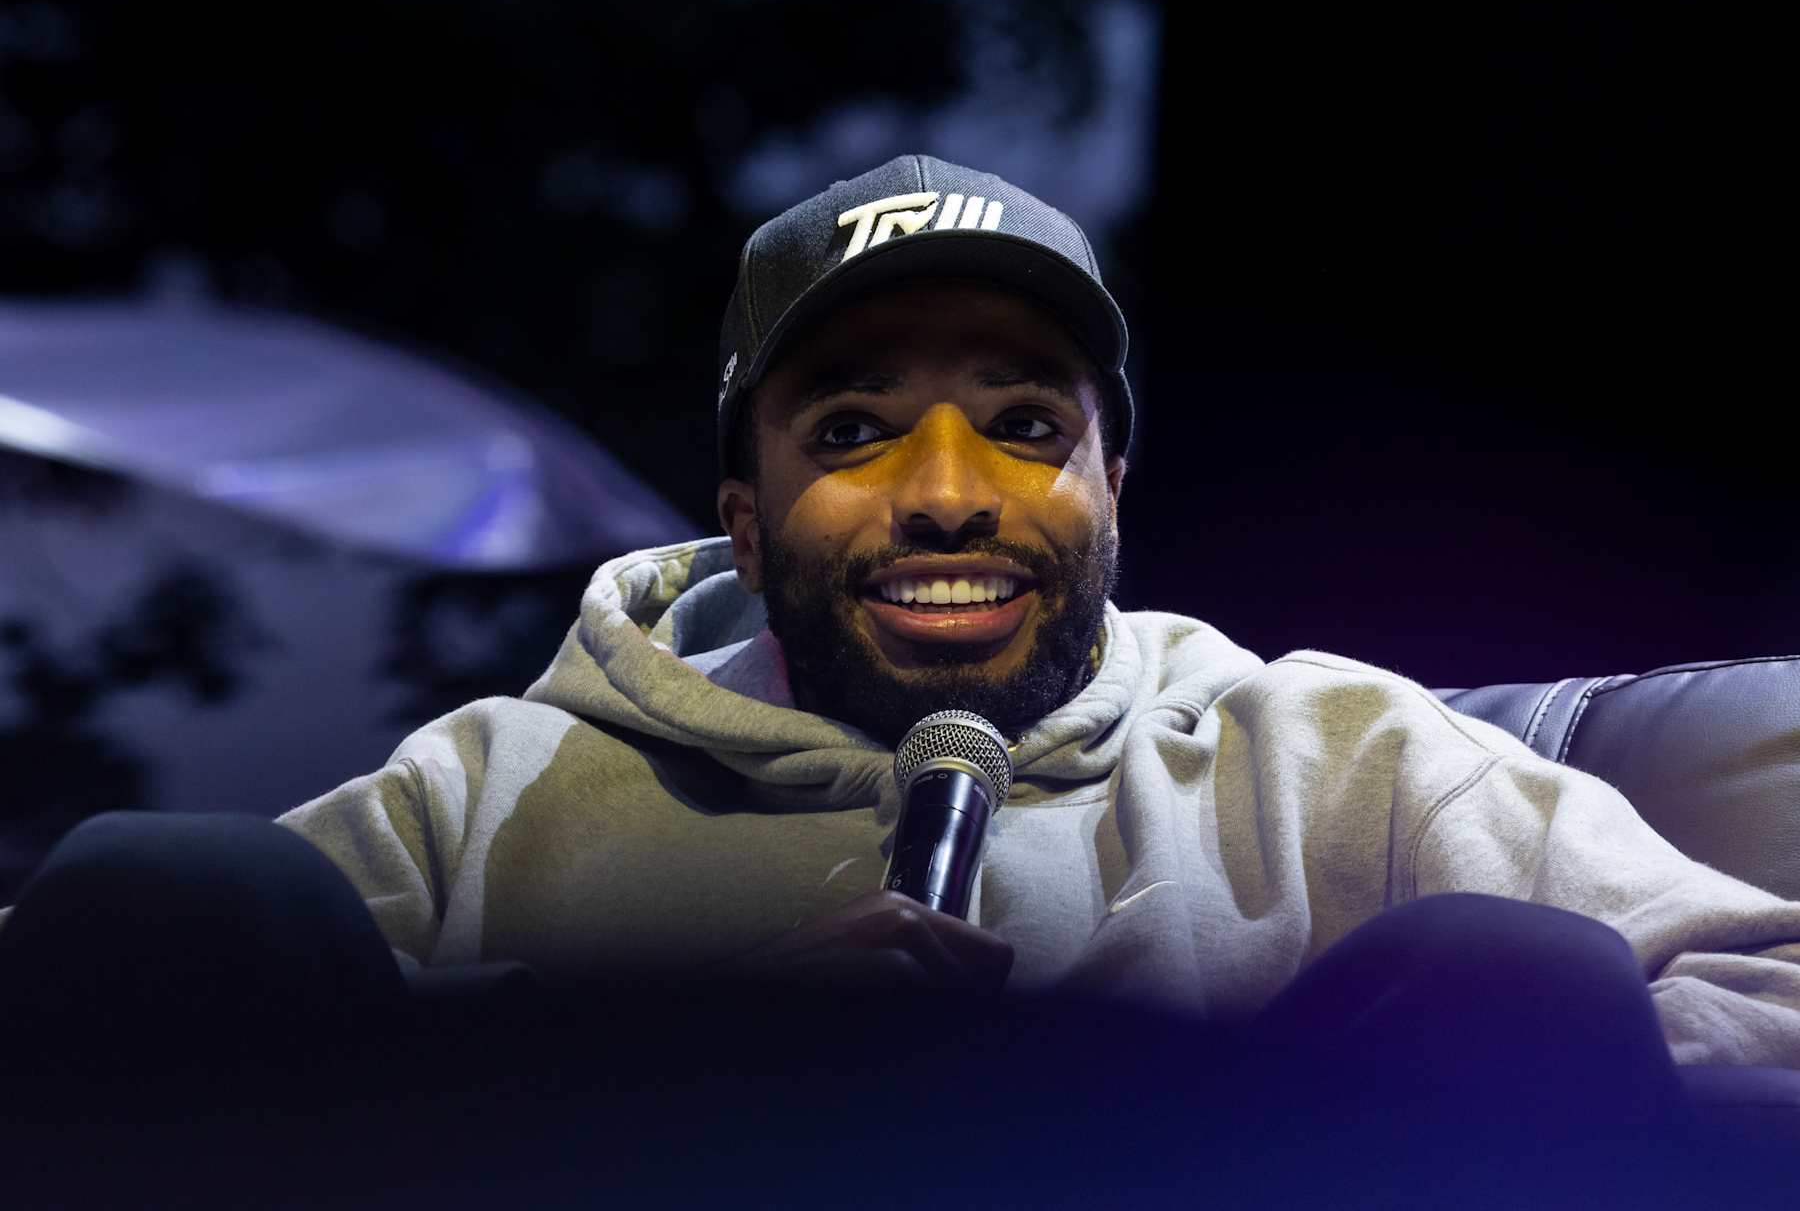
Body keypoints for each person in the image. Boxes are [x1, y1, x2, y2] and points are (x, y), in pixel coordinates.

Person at [2, 155, 1795, 1204]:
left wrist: (1203, 1101)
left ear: (1112, 489)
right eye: (855, 428)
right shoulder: (493, 780)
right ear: (743, 505)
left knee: (1506, 982)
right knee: (162, 892)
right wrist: (665, 1044)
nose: (948, 491)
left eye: (1026, 426)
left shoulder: (1333, 754)